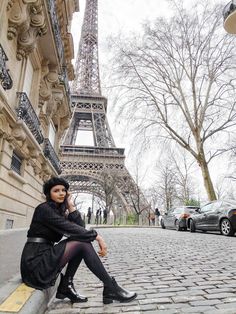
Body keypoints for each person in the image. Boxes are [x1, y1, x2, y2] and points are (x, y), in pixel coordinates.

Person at [20, 177, 137, 304]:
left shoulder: (58, 211)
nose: (61, 193)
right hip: (35, 263)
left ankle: (67, 286)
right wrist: (97, 237)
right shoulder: (44, 209)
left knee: (81, 241)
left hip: (45, 254)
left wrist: (70, 206)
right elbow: (70, 228)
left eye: (63, 190)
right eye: (56, 191)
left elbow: (80, 229)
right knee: (81, 243)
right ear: (49, 194)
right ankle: (110, 286)